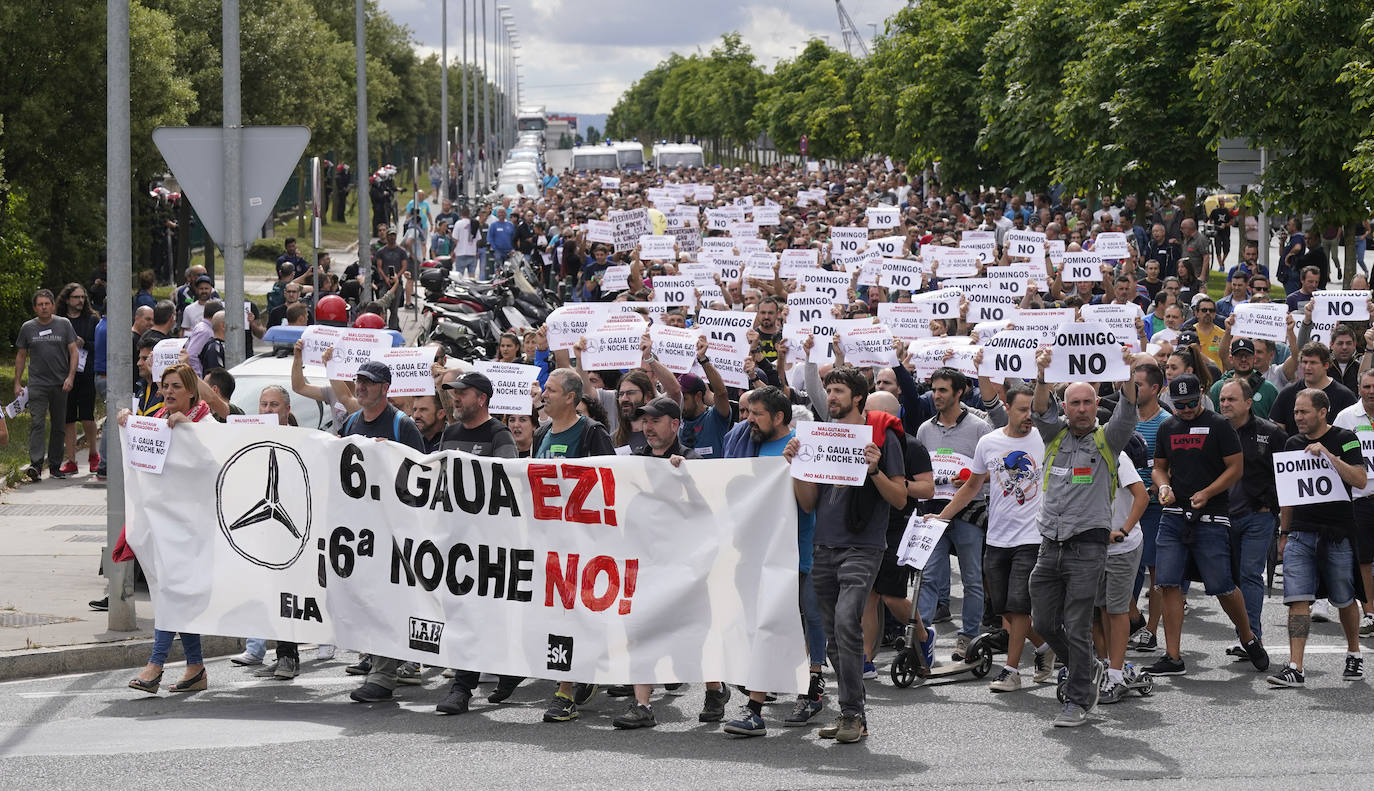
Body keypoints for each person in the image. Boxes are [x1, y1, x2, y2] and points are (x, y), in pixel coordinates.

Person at [784, 366, 906, 743]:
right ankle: (852, 712)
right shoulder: (819, 439)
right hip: (824, 546)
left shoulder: (882, 440)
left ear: (857, 397)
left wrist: (874, 470)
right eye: (828, 390)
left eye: (837, 391)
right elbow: (807, 505)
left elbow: (900, 498)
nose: (831, 397)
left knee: (846, 621)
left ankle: (853, 713)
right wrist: (797, 467)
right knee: (835, 637)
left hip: (863, 547)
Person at [1028, 344, 1139, 727]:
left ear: (1096, 405)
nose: (1080, 409)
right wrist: (1041, 374)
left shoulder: (1109, 440)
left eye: (1087, 402)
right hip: (1049, 546)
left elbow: (1127, 412)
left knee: (1076, 624)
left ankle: (1078, 699)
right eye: (1073, 402)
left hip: (1088, 548)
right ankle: (1087, 663)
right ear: (1066, 406)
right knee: (1042, 622)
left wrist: (1126, 371)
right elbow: (1039, 408)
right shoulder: (1053, 436)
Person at [720, 387, 827, 735]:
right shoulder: (745, 444)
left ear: (779, 417)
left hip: (798, 548)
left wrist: (794, 464)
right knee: (766, 620)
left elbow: (808, 503)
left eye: (757, 414)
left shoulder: (802, 445)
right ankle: (760, 700)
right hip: (757, 550)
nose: (748, 420)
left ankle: (811, 686)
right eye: (748, 412)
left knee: (808, 619)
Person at [1148, 373, 1269, 677]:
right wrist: (1163, 487)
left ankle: (1248, 636)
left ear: (1201, 394)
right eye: (1180, 405)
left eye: (1191, 403)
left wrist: (1209, 491)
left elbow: (1236, 468)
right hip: (1174, 515)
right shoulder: (1168, 426)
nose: (1186, 410)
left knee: (1222, 586)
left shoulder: (1218, 425)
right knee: (1168, 583)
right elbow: (1159, 468)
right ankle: (1173, 655)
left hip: (1212, 516)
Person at [937, 384, 1056, 692]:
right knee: (1002, 607)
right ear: (1008, 407)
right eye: (1022, 409)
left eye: (1032, 409)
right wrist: (942, 517)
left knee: (1018, 608)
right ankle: (1045, 647)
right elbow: (972, 486)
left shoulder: (1044, 439)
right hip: (997, 537)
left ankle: (1012, 670)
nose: (1028, 415)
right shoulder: (989, 442)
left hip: (1032, 536)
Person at [432, 372, 520, 715]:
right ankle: (499, 671)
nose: (456, 399)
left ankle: (462, 687)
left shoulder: (499, 435)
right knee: (469, 613)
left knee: (485, 612)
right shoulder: (450, 434)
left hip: (488, 542)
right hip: (455, 540)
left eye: (462, 393)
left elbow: (511, 482)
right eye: (454, 393)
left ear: (481, 398)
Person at [123, 363, 213, 694]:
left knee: (172, 591)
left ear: (191, 390)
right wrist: (129, 425)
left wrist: (190, 430)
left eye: (176, 386)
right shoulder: (157, 421)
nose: (169, 392)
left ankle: (155, 665)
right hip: (164, 523)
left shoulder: (207, 422)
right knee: (172, 592)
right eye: (165, 386)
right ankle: (195, 667)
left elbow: (213, 464)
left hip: (193, 525)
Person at [613, 396, 702, 730]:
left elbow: (707, 509)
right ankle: (642, 704)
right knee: (640, 631)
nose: (647, 427)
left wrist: (688, 478)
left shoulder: (690, 460)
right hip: (644, 562)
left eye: (655, 420)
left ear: (675, 425)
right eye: (644, 421)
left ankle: (714, 686)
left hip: (683, 566)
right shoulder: (634, 462)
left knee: (693, 635)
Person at [1268, 388, 1368, 687]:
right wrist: (1284, 534)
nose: (1298, 417)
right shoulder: (1292, 443)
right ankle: (1295, 666)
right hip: (1300, 533)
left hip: (1337, 533)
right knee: (1297, 599)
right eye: (1296, 412)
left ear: (1322, 412)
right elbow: (1287, 494)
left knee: (1343, 598)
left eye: (1303, 412)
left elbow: (1360, 479)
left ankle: (1353, 652)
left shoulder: (1344, 438)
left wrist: (1327, 454)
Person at [342, 361, 427, 704]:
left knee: (388, 598)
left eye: (368, 382)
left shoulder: (401, 424)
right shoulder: (350, 422)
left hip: (394, 529)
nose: (360, 387)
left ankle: (383, 673)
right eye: (359, 381)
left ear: (385, 388)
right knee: (369, 598)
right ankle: (383, 659)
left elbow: (421, 474)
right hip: (359, 528)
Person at [535, 368, 615, 722]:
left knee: (577, 617)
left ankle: (565, 690)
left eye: (550, 389)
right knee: (559, 618)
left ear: (571, 397)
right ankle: (574, 677)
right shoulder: (542, 433)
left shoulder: (592, 433)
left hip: (586, 545)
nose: (543, 394)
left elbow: (611, 483)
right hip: (551, 543)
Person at [916, 367, 992, 663]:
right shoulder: (925, 429)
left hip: (969, 514)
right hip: (934, 512)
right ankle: (922, 638)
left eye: (943, 390)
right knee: (929, 576)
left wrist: (975, 480)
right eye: (934, 390)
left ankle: (969, 636)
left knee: (972, 577)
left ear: (959, 392)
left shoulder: (978, 428)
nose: (936, 395)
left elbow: (992, 471)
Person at [1219, 378, 1286, 659]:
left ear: (1248, 403)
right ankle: (1245, 635)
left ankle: (1252, 638)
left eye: (1231, 399)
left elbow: (1286, 476)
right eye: (1222, 399)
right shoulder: (1215, 431)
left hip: (1258, 517)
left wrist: (1277, 512)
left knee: (1249, 574)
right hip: (1223, 517)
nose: (1225, 404)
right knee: (1230, 580)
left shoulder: (1271, 434)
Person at [14, 288, 79, 481]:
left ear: (52, 305)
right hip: (37, 384)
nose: (44, 307)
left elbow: (74, 352)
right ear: (35, 308)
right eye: (40, 304)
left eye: (47, 304)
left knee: (59, 425)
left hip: (60, 383)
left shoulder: (64, 324)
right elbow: (21, 355)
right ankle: (35, 465)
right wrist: (17, 383)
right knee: (37, 423)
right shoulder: (28, 328)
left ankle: (55, 465)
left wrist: (70, 377)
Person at [1333, 368, 1374, 639]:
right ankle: (1370, 613)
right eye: (1367, 386)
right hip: (1360, 499)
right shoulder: (1346, 417)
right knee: (1363, 560)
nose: (1372, 391)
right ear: (1359, 387)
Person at [54, 282, 99, 476]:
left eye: (83, 297)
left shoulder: (92, 319)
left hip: (86, 373)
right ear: (67, 299)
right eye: (76, 297)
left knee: (87, 417)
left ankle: (93, 454)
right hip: (64, 374)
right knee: (68, 418)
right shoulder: (59, 320)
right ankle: (71, 460)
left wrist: (84, 343)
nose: (80, 301)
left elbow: (100, 345)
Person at [1269, 342, 1358, 437]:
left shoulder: (1345, 396)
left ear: (1326, 365)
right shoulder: (1288, 393)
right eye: (1305, 362)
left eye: (1313, 363)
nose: (1307, 367)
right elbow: (1277, 428)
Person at [1209, 338, 1279, 419]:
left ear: (1254, 358)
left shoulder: (1269, 389)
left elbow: (1276, 423)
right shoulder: (1218, 388)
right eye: (1239, 356)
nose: (1243, 359)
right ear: (1231, 359)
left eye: (1247, 356)